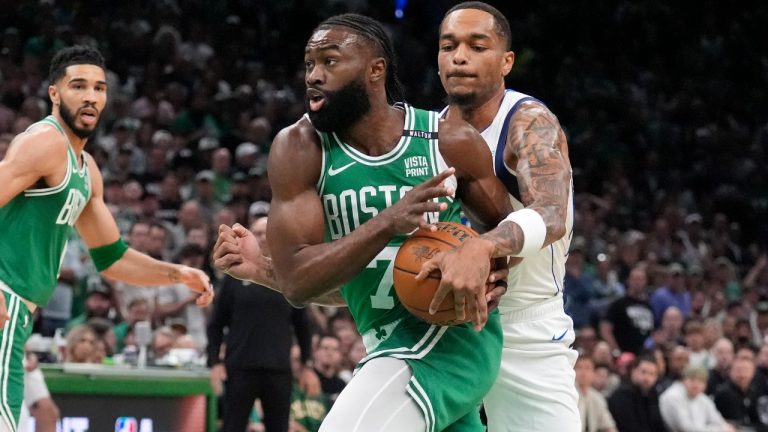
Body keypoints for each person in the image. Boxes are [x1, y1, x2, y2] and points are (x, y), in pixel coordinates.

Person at [213, 13, 512, 432]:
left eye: (330, 62)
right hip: (389, 343)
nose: (314, 76)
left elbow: (510, 233)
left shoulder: (447, 142)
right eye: (309, 64)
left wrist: (490, 264)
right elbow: (307, 283)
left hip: (449, 342)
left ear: (376, 70)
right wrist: (264, 271)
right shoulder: (300, 149)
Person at [0, 45, 213, 431]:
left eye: (98, 88)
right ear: (54, 93)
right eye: (78, 86)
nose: (90, 97)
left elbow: (113, 258)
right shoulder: (43, 142)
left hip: (19, 315)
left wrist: (177, 273)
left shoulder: (86, 169)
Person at [419, 2, 580, 430]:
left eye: (477, 45)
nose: (459, 56)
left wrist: (482, 246)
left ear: (507, 60)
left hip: (525, 329)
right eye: (448, 45)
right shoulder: (425, 137)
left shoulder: (528, 121)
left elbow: (551, 212)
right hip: (443, 326)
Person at [207, 215, 318, 432]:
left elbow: (303, 325)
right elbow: (216, 323)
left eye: (267, 233)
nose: (263, 238)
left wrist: (306, 363)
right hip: (240, 366)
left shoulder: (289, 277)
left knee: (278, 427)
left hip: (278, 368)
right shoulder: (235, 275)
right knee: (233, 426)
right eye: (257, 233)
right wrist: (215, 361)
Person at [659, 365, 734, 432]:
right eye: (692, 379)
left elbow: (719, 422)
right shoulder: (672, 396)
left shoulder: (702, 398)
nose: (696, 384)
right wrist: (718, 430)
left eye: (701, 381)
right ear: (683, 380)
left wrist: (724, 428)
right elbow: (686, 428)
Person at [607, 353, 668, 432]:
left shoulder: (652, 394)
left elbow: (659, 425)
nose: (647, 378)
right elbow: (629, 428)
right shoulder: (622, 395)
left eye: (652, 374)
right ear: (633, 371)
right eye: (643, 372)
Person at [574, 355, 616, 432]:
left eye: (587, 368)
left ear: (594, 374)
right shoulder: (568, 394)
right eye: (579, 368)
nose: (583, 372)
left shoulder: (598, 397)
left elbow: (609, 425)